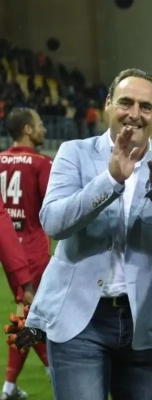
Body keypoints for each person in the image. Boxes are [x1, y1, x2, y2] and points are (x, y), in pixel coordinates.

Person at [16, 68, 152, 400]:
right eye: (126, 102)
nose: (134, 113)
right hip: (78, 320)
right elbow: (54, 223)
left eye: (146, 107)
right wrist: (111, 179)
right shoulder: (74, 152)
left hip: (145, 319)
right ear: (107, 105)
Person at [0, 107, 52, 400]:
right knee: (33, 316)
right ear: (28, 130)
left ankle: (11, 386)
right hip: (33, 250)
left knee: (27, 315)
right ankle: (51, 369)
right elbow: (53, 208)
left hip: (9, 252)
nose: (43, 128)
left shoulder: (0, 160)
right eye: (40, 124)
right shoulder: (41, 163)